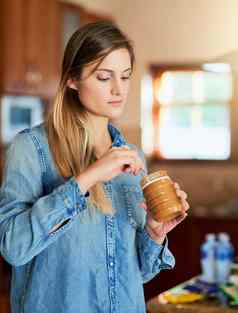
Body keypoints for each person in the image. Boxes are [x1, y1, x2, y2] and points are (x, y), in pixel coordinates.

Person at [0, 21, 189, 313]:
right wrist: (87, 178)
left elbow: (131, 276)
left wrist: (154, 231)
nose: (118, 89)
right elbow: (14, 247)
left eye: (125, 77)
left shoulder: (131, 156)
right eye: (104, 77)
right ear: (73, 79)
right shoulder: (31, 149)